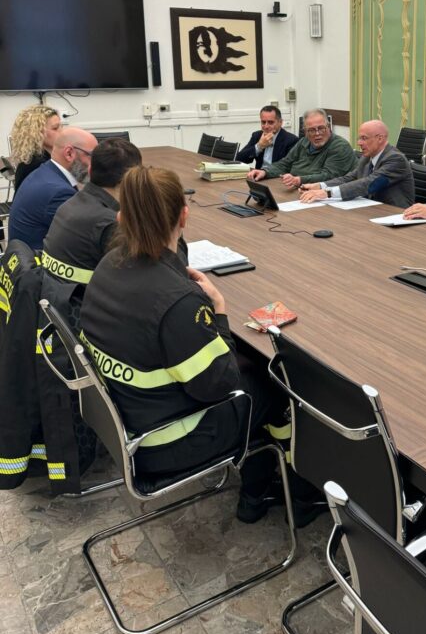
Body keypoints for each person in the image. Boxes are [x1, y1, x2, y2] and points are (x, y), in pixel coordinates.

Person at [79, 166, 317, 524]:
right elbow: (221, 385)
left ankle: (261, 489)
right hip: (166, 441)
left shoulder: (109, 264)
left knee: (253, 369)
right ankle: (287, 495)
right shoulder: (177, 302)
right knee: (276, 384)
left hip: (129, 417)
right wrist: (218, 310)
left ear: (121, 217)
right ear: (184, 216)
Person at [42, 137, 143, 285]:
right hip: (83, 298)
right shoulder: (110, 223)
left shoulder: (69, 205)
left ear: (90, 170)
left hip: (54, 294)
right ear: (131, 179)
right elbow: (135, 279)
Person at [8, 127, 98, 251]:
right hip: (39, 260)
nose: (95, 163)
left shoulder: (45, 172)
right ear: (69, 153)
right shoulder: (58, 193)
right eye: (92, 156)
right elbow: (86, 240)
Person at [299, 120, 415, 208]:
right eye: (359, 138)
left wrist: (327, 193)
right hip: (370, 210)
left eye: (364, 138)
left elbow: (369, 184)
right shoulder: (367, 157)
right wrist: (320, 186)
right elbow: (350, 178)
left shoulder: (396, 159)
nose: (359, 143)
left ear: (380, 138)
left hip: (394, 214)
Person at [247, 108, 356, 190]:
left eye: (321, 128)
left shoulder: (340, 146)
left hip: (328, 195)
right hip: (299, 190)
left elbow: (328, 176)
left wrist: (299, 179)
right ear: (305, 131)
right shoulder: (304, 141)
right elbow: (285, 164)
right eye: (311, 130)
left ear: (328, 127)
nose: (317, 133)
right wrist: (265, 172)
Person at [9, 105, 62, 192]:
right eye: (55, 128)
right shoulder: (37, 165)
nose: (62, 132)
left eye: (61, 126)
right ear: (37, 133)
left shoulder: (35, 160)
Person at [237, 105, 299, 170]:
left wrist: (265, 173)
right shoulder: (257, 136)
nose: (266, 126)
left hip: (276, 175)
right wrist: (259, 146)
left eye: (270, 122)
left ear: (280, 122)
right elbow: (239, 159)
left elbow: (288, 167)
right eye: (263, 122)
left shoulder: (291, 140)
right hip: (258, 174)